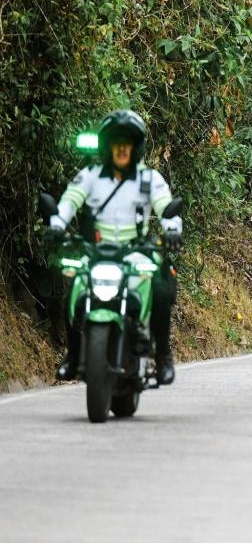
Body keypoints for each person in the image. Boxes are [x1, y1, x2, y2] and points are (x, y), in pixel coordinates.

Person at [48, 110, 183, 384]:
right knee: (74, 288)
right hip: (95, 251)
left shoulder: (150, 179)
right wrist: (56, 225)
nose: (122, 148)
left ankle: (163, 356)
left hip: (136, 251)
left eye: (127, 142)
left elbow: (166, 206)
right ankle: (73, 354)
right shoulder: (90, 175)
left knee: (159, 286)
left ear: (137, 147)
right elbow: (69, 201)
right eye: (116, 142)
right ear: (107, 146)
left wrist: (172, 230)